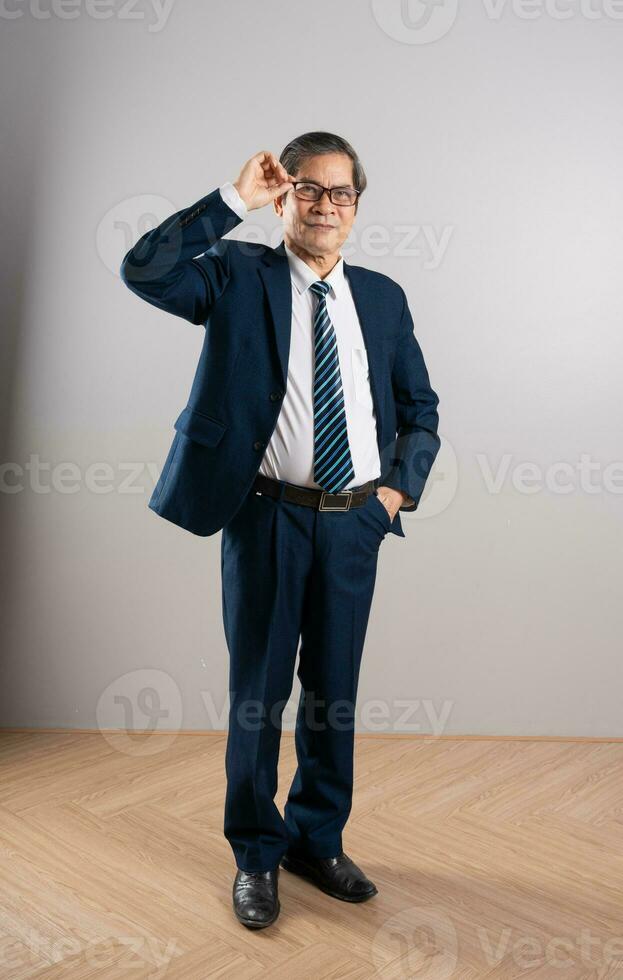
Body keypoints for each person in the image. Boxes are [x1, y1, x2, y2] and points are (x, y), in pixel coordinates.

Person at [120, 131, 440, 930]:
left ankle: (316, 842)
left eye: (341, 194)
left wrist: (395, 493)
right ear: (286, 196)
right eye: (308, 189)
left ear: (356, 207)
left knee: (333, 694)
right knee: (259, 697)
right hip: (263, 516)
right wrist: (233, 200)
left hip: (353, 525)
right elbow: (144, 270)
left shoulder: (383, 297)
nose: (325, 206)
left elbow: (417, 409)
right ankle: (256, 855)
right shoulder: (235, 276)